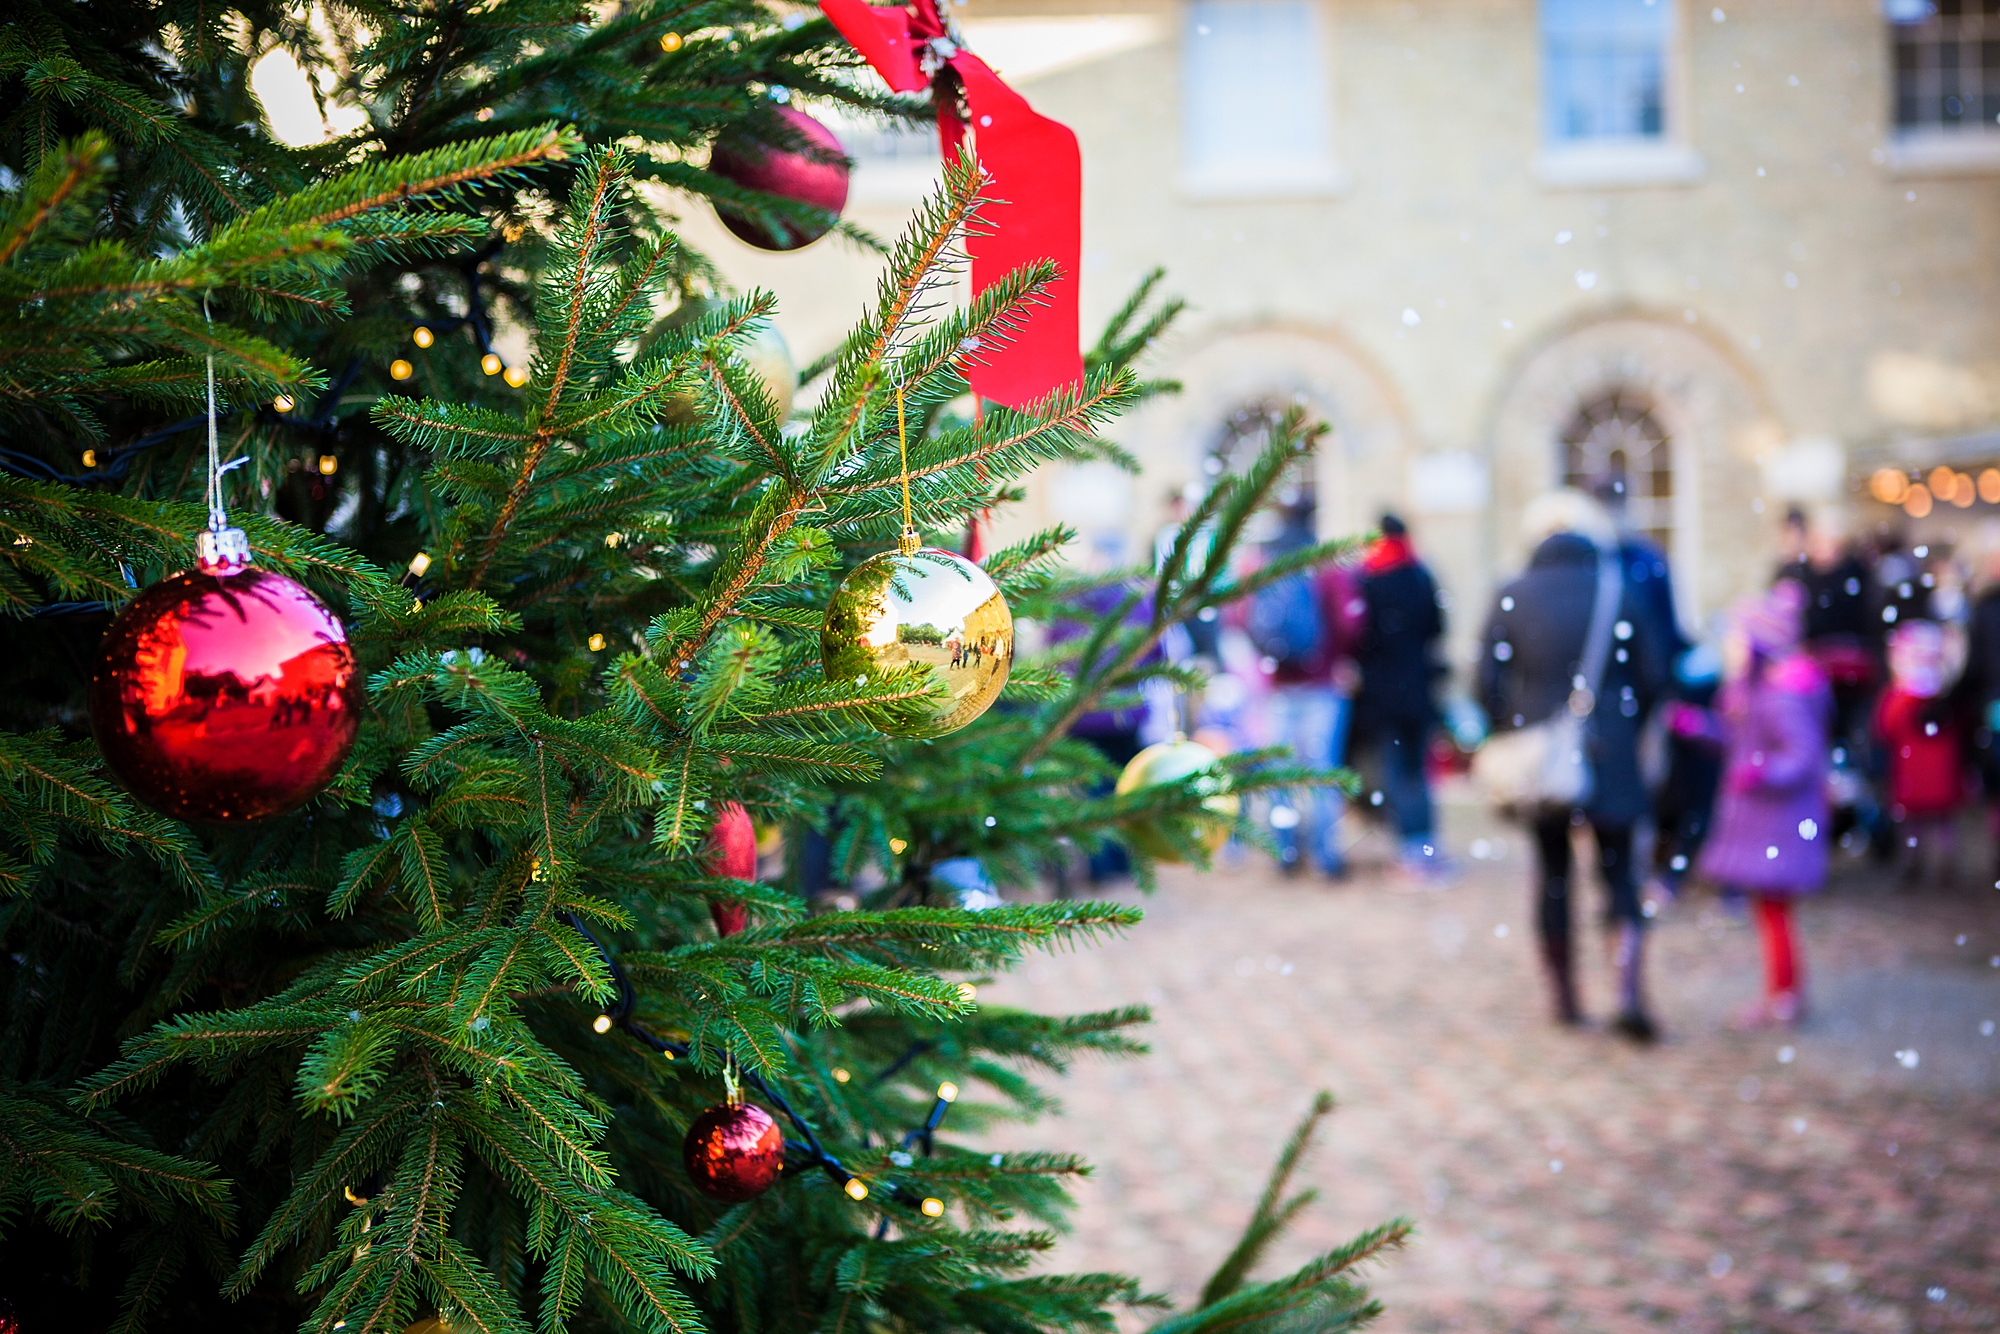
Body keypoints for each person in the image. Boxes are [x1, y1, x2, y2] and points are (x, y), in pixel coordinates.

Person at [1479, 490, 1669, 1039]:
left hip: (1543, 758)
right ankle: (1628, 988)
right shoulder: (1620, 591)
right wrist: (1625, 726)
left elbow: (1485, 683)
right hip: (1610, 750)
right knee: (1619, 873)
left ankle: (1565, 997)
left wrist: (1515, 728)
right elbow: (1656, 676)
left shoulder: (1513, 593)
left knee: (1554, 874)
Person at [1670, 582, 1831, 1028]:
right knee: (1769, 912)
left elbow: (1801, 755)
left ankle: (1784, 997)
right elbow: (1736, 740)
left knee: (1775, 913)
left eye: (1737, 639)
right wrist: (1698, 726)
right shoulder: (1751, 693)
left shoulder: (1782, 697)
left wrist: (1763, 771)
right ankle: (1784, 992)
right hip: (1766, 821)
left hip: (1780, 821)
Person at [1248, 500, 1362, 878]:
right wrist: (1336, 655)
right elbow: (1348, 621)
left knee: (1281, 773)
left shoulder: (1266, 561)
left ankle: (1286, 850)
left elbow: (1242, 616)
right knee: (1322, 773)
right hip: (1321, 683)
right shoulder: (1324, 564)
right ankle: (1327, 855)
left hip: (1277, 684)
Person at [1353, 513, 1452, 881]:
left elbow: (1359, 636)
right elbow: (1438, 627)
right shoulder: (1420, 575)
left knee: (1396, 772)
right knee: (1420, 772)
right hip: (1419, 689)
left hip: (1383, 693)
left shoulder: (1368, 579)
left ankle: (1410, 850)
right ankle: (1426, 846)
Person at [1875, 619, 1965, 882]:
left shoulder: (1899, 696)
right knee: (1943, 822)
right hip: (1943, 776)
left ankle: (1913, 861)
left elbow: (1885, 728)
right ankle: (1945, 862)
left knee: (1912, 823)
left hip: (1910, 774)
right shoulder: (1946, 697)